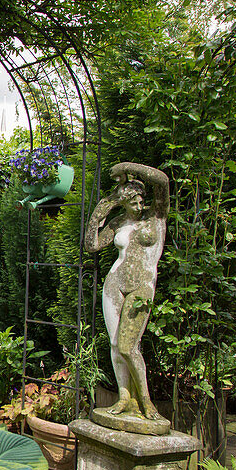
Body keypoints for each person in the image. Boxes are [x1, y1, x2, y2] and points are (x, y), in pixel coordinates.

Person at [85, 162, 169, 426]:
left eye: (141, 200)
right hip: (114, 284)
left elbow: (162, 181)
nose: (139, 205)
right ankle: (123, 397)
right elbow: (92, 245)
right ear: (124, 204)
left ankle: (145, 399)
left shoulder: (157, 216)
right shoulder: (119, 221)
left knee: (128, 345)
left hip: (142, 286)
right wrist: (98, 217)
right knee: (114, 344)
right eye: (133, 202)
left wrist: (127, 167)